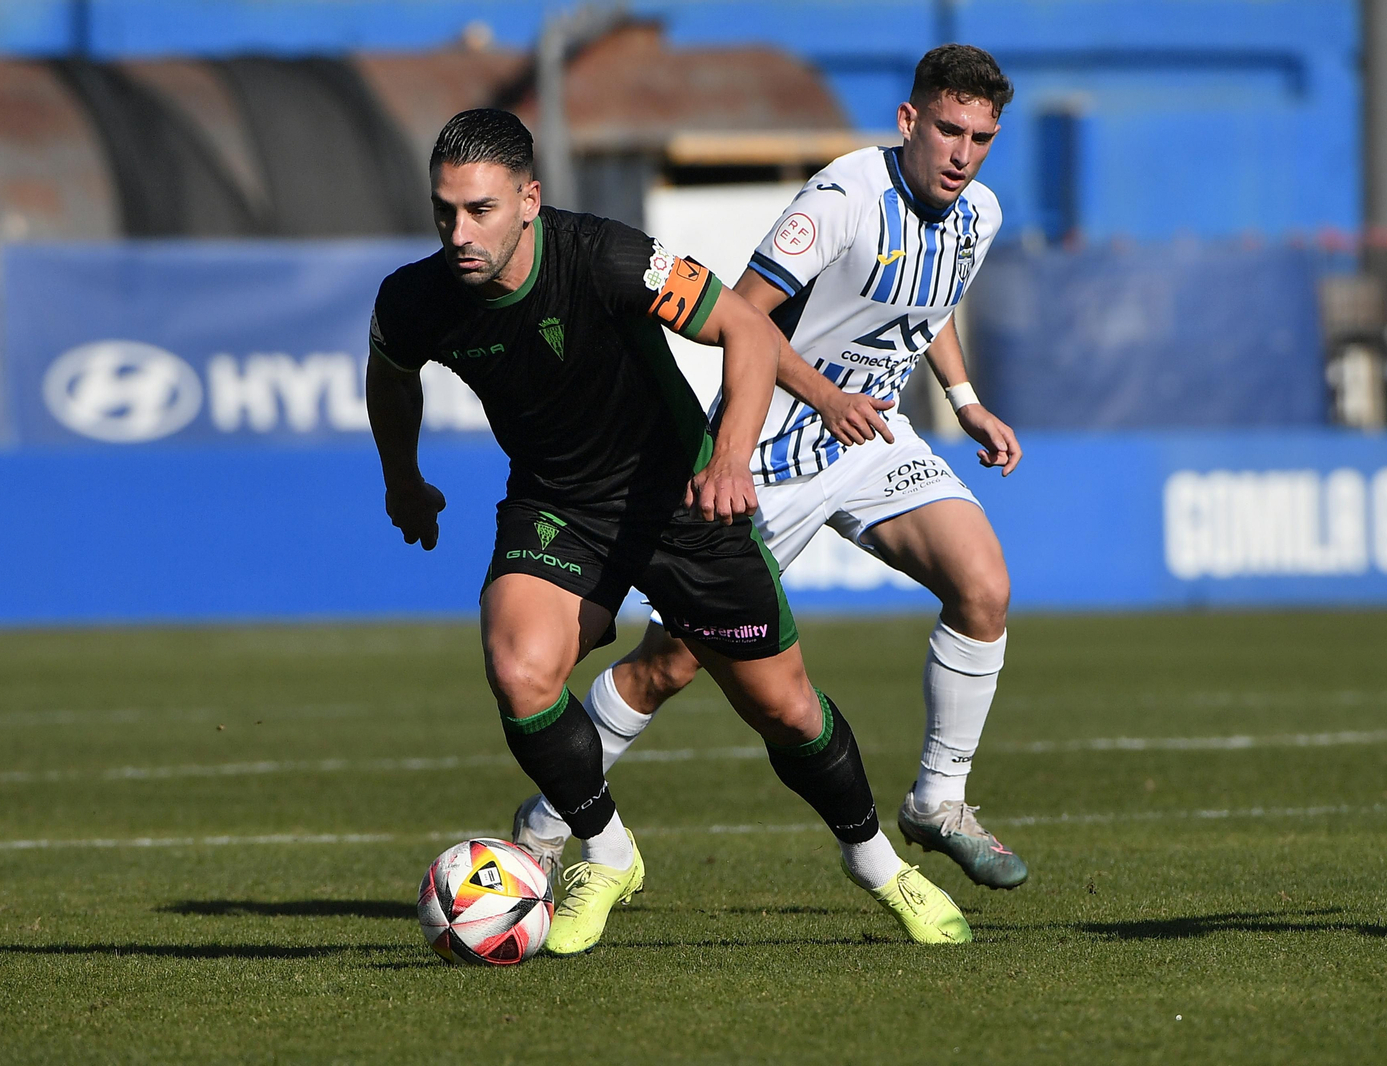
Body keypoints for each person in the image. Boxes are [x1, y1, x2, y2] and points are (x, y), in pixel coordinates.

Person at [368, 107, 972, 956]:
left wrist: (729, 459)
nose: (459, 233)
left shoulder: (606, 256)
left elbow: (747, 329)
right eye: (445, 211)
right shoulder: (415, 298)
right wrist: (404, 481)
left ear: (530, 200)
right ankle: (607, 854)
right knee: (520, 669)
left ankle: (877, 864)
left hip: (680, 498)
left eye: (481, 211)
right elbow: (391, 376)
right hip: (558, 504)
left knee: (786, 710)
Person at [513, 44, 1029, 891]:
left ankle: (939, 799)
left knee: (984, 588)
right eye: (947, 130)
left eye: (981, 137)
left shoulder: (981, 214)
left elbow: (927, 300)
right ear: (909, 121)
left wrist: (965, 398)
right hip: (774, 447)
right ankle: (542, 824)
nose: (962, 154)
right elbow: (744, 319)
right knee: (668, 664)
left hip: (872, 436)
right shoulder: (838, 200)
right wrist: (825, 396)